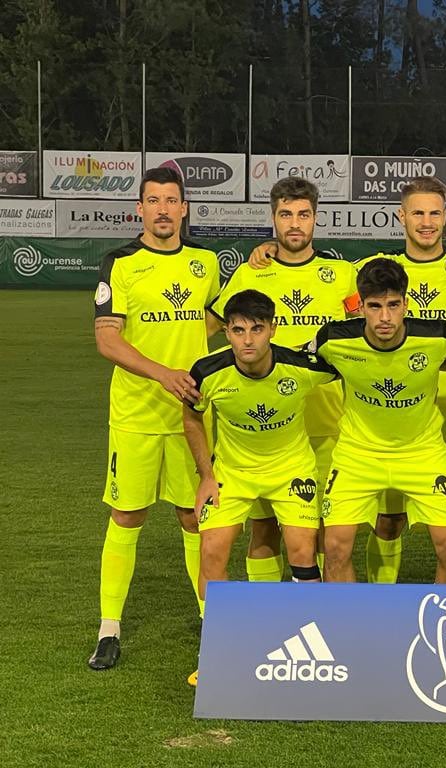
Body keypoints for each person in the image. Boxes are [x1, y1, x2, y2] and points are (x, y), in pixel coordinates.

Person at [89, 166, 220, 670]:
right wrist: (164, 371)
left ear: (185, 209)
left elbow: (220, 316)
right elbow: (107, 339)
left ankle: (211, 617)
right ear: (139, 209)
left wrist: (190, 357)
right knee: (128, 515)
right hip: (136, 414)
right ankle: (109, 628)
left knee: (194, 515)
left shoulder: (204, 262)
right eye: (153, 201)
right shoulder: (119, 263)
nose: (163, 209)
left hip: (191, 414)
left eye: (172, 200)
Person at [210, 176, 359, 583]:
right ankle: (268, 620)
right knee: (263, 530)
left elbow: (362, 331)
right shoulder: (249, 273)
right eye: (286, 214)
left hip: (327, 427)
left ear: (316, 219)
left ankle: (325, 618)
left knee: (327, 533)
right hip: (263, 433)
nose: (295, 224)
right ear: (273, 218)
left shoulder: (342, 274)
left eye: (304, 215)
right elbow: (210, 325)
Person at [183, 290, 336, 680]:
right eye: (237, 330)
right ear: (227, 333)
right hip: (233, 472)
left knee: (304, 549)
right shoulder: (207, 372)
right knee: (212, 549)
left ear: (273, 329)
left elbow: (355, 359)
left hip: (291, 471)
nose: (247, 340)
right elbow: (192, 418)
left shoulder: (302, 366)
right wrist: (205, 475)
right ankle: (216, 647)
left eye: (256, 329)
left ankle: (312, 647)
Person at [357, 176, 446, 584]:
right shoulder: (371, 271)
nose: (427, 222)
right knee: (389, 519)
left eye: (435, 213)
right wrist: (268, 247)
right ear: (401, 216)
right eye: (418, 212)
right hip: (394, 417)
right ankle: (381, 607)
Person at [310, 258, 446, 583]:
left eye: (393, 305)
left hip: (423, 453)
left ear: (406, 304)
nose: (385, 317)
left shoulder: (438, 336)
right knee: (336, 548)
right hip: (358, 454)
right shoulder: (334, 340)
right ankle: (350, 626)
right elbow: (287, 363)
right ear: (360, 307)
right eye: (374, 306)